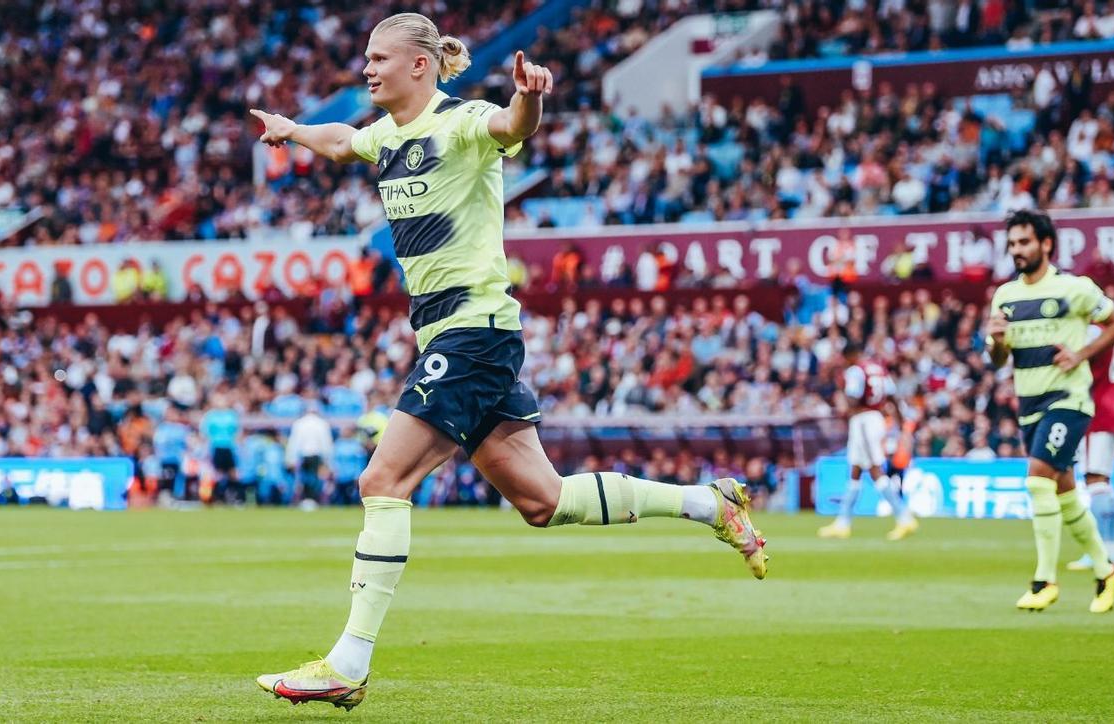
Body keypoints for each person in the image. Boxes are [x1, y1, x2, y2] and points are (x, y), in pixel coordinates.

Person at [250, 12, 766, 711]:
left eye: (378, 58)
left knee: (383, 477)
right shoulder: (388, 136)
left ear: (419, 66)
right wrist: (292, 130)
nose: (366, 69)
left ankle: (348, 662)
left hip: (473, 333)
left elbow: (510, 126)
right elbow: (343, 141)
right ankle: (711, 503)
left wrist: (530, 98)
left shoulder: (460, 123)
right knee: (543, 502)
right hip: (455, 336)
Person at [985, 209, 1114, 613]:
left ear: (1046, 243)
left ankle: (1044, 580)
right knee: (1065, 495)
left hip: (1068, 400)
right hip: (1029, 405)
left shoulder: (1075, 288)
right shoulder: (1005, 296)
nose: (1017, 250)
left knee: (1037, 480)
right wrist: (997, 342)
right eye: (1012, 244)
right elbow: (999, 360)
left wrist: (1081, 354)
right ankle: (1106, 570)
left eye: (1024, 242)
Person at [818, 342, 918, 541]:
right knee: (855, 470)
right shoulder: (878, 368)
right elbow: (892, 396)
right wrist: (900, 422)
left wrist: (841, 391)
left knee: (874, 469)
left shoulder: (855, 371)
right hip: (875, 418)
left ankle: (904, 517)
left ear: (850, 356)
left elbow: (853, 399)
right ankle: (843, 523)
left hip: (863, 420)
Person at [1067, 325, 1114, 572]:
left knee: (1095, 481)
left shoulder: (1092, 331)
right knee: (1104, 482)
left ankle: (1100, 553)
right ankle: (1111, 550)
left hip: (1097, 411)